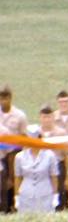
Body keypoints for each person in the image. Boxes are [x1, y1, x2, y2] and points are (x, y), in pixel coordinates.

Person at [14, 125, 58, 213]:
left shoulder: (49, 155)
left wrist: (55, 195)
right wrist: (17, 196)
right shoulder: (20, 156)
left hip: (45, 192)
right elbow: (18, 177)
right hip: (26, 193)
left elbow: (54, 176)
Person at [1, 84, 29, 213]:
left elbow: (24, 138)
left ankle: (12, 211)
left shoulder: (19, 115)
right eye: (1, 98)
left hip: (13, 155)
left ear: (11, 98)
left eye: (6, 98)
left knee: (12, 185)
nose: (3, 101)